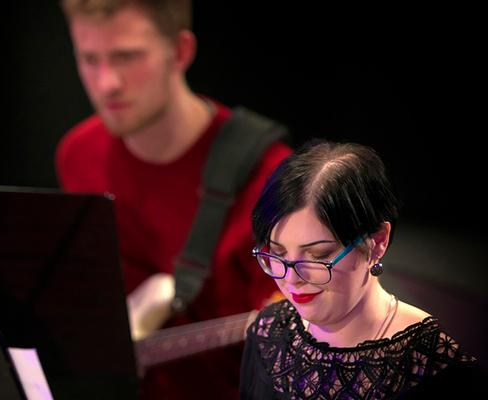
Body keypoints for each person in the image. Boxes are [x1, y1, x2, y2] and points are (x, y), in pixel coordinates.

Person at [57, 0, 291, 397]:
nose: (106, 82)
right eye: (89, 59)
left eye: (127, 57)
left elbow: (295, 343)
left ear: (180, 52)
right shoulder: (77, 155)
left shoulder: (275, 176)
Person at [241, 141, 479, 398]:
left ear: (377, 242)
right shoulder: (270, 333)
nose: (291, 279)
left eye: (318, 255)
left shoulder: (432, 367)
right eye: (278, 253)